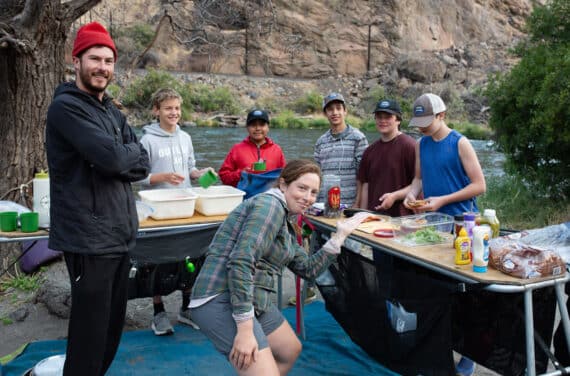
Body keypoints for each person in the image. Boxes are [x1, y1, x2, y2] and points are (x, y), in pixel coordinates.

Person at [189, 160, 370, 375]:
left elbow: (308, 269)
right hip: (219, 297)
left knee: (289, 350)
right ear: (283, 185)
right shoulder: (270, 207)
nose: (308, 198)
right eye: (301, 188)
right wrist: (245, 331)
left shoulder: (287, 220)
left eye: (314, 192)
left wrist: (339, 236)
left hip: (251, 297)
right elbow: (241, 261)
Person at [45, 22, 150, 375]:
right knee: (88, 338)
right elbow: (116, 159)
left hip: (119, 236)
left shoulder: (112, 112)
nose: (102, 67)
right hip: (88, 239)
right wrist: (123, 155)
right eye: (95, 58)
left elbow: (142, 163)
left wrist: (123, 156)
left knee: (109, 332)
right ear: (76, 60)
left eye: (108, 60)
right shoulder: (66, 108)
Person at [404, 93, 486, 376]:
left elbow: (479, 186)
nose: (422, 128)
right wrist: (412, 196)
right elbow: (418, 179)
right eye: (419, 123)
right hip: (434, 225)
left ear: (442, 115)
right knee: (435, 289)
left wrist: (442, 199)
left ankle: (469, 354)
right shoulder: (420, 144)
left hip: (463, 224)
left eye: (427, 122)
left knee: (463, 293)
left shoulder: (460, 143)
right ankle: (439, 346)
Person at [137, 88, 214, 335]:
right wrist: (162, 177)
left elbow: (190, 171)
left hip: (185, 207)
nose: (174, 113)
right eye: (168, 108)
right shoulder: (146, 140)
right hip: (158, 211)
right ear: (156, 111)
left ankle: (186, 307)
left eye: (177, 108)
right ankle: (158, 311)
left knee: (189, 257)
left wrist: (202, 175)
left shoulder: (186, 138)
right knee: (157, 260)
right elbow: (139, 177)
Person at [296, 93, 368, 306]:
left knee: (350, 255)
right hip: (324, 208)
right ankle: (325, 295)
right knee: (321, 252)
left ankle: (355, 298)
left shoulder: (358, 138)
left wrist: (357, 206)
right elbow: (316, 176)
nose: (335, 112)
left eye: (339, 108)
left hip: (348, 208)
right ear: (325, 113)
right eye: (330, 109)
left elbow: (362, 176)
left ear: (345, 111)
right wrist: (311, 203)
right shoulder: (321, 142)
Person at [357, 98, 416, 217]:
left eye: (388, 117)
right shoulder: (369, 151)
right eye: (379, 116)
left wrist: (395, 196)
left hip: (403, 219)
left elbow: (420, 184)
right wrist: (362, 215)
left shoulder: (410, 146)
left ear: (398, 120)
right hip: (373, 219)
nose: (382, 120)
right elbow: (365, 187)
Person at [219, 109, 286, 187]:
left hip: (269, 196)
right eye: (253, 125)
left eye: (262, 124)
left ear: (268, 127)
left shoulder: (277, 150)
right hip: (244, 196)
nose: (257, 128)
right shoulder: (237, 149)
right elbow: (224, 177)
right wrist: (241, 174)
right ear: (247, 127)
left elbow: (285, 177)